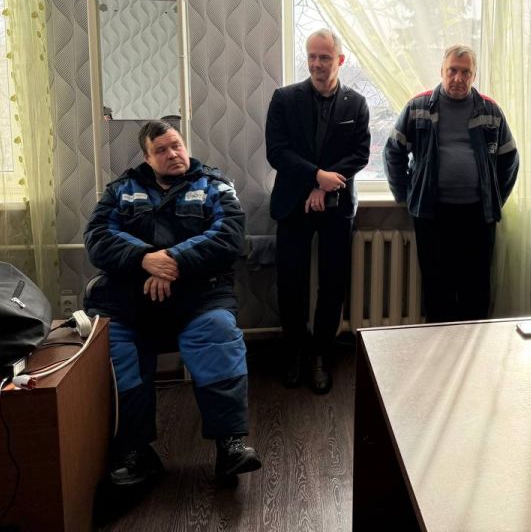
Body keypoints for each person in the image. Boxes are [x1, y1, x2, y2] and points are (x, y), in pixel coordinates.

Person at [84, 120, 260, 487]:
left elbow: (228, 236)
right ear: (147, 158)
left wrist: (171, 261)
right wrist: (144, 259)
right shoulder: (120, 191)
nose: (172, 154)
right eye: (161, 150)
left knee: (219, 334)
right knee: (115, 349)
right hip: (130, 300)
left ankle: (230, 446)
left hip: (199, 296)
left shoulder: (214, 185)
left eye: (176, 145)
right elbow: (98, 238)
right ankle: (134, 450)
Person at [265, 28, 370, 393]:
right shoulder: (284, 98)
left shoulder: (357, 103)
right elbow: (276, 152)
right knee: (291, 283)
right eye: (311, 56)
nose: (316, 64)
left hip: (336, 207)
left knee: (332, 283)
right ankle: (294, 352)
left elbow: (360, 154)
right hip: (292, 204)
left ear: (340, 60)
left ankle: (321, 354)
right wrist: (315, 177)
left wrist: (324, 186)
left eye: (324, 57)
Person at [384, 44, 519, 322]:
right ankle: (440, 346)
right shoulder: (418, 107)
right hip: (433, 214)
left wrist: (494, 196)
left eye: (465, 72)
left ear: (474, 75)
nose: (458, 78)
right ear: (441, 71)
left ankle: (473, 345)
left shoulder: (490, 110)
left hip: (478, 215)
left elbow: (509, 159)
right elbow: (393, 151)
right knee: (437, 289)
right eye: (452, 71)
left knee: (476, 290)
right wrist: (406, 195)